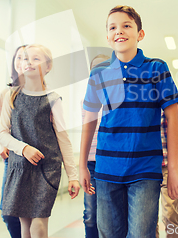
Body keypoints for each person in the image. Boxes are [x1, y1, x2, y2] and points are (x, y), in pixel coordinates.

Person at [80, 5, 178, 238]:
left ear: (140, 33)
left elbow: (173, 117)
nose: (120, 31)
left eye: (127, 25)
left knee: (141, 234)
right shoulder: (98, 73)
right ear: (107, 37)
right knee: (109, 234)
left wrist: (175, 168)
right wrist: (81, 166)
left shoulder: (156, 68)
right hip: (106, 168)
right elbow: (89, 119)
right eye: (113, 27)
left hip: (145, 169)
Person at [0, 44, 80, 238]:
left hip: (47, 170)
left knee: (38, 225)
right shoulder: (11, 95)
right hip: (19, 168)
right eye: (26, 59)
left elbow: (63, 139)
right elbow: (2, 133)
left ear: (48, 66)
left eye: (36, 59)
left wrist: (73, 176)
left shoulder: (53, 99)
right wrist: (23, 148)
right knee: (24, 227)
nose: (29, 62)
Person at [0, 45, 26, 238]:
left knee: (31, 212)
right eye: (19, 58)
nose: (23, 62)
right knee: (8, 210)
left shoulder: (45, 94)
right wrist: (2, 143)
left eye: (27, 58)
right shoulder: (5, 94)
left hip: (34, 160)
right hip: (11, 159)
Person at [83, 53, 109, 238]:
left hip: (111, 162)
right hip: (91, 163)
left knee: (110, 215)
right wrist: (81, 164)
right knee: (91, 215)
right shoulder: (86, 101)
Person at [157, 103, 178, 238]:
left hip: (168, 166)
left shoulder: (170, 99)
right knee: (147, 216)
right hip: (146, 165)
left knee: (171, 213)